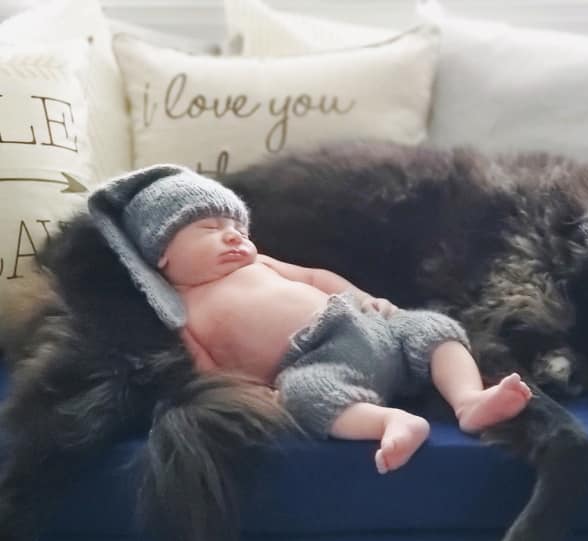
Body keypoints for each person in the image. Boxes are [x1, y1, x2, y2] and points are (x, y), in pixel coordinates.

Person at [88, 164, 532, 474]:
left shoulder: (257, 263)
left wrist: (364, 297)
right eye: (209, 229)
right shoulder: (181, 311)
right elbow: (205, 370)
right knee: (305, 397)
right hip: (315, 364)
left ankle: (469, 400)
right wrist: (258, 395)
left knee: (433, 328)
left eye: (238, 228)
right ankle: (391, 421)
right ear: (161, 253)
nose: (233, 237)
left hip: (366, 326)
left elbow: (316, 276)